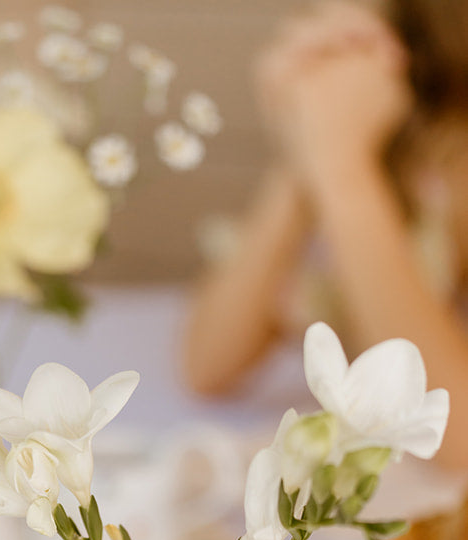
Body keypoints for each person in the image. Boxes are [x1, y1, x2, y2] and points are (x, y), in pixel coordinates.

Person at [183, 0, 468, 469]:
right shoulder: (374, 140)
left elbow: (456, 443)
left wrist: (342, 167)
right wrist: (309, 145)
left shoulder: (446, 170)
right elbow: (208, 366)